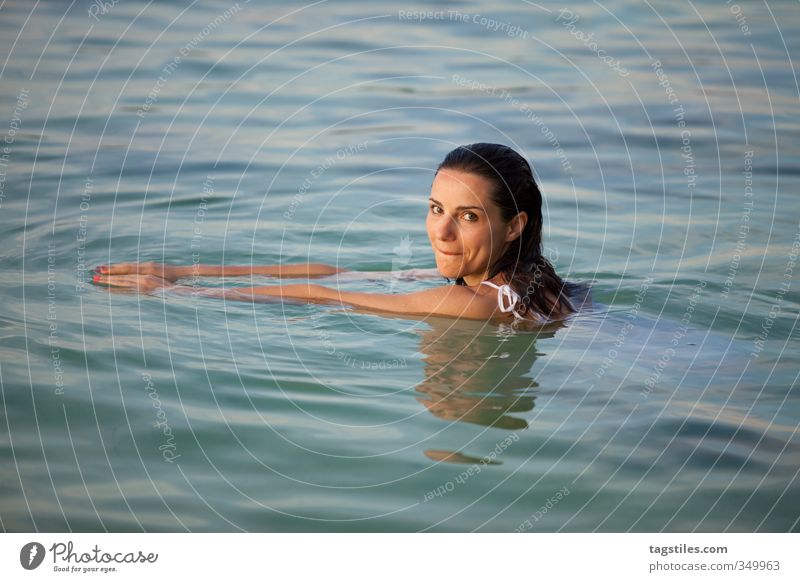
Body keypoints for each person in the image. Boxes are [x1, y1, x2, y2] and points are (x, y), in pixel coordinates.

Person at [93, 142, 588, 323]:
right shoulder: (525, 280)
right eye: (436, 208)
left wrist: (177, 295)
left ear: (514, 225)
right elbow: (343, 274)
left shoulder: (470, 302)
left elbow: (324, 295)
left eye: (469, 216)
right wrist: (182, 270)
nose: (441, 231)